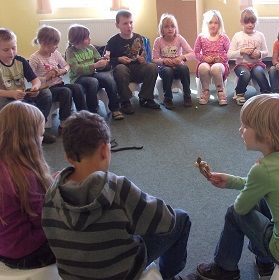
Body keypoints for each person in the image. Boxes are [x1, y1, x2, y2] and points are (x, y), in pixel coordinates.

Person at [41, 111, 191, 280]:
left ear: (68, 158)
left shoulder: (52, 192)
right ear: (105, 150)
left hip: (73, 275)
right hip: (122, 272)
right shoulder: (117, 188)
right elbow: (167, 221)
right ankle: (168, 275)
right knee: (181, 219)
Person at [196, 94, 279, 279]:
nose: (240, 130)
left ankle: (224, 269)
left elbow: (240, 208)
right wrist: (231, 181)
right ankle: (264, 263)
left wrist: (241, 189)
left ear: (266, 135)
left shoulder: (263, 170)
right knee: (264, 199)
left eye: (245, 126)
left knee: (233, 213)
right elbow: (264, 186)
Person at [0, 101, 55, 269]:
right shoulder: (25, 176)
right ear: (28, 140)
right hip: (26, 253)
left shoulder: (7, 166)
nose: (42, 138)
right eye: (40, 134)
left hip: (5, 246)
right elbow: (45, 220)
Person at [0, 28, 56, 144]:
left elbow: (35, 80)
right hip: (4, 99)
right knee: (19, 107)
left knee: (46, 94)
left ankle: (38, 129)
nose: (11, 52)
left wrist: (35, 87)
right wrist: (11, 94)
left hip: (21, 94)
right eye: (5, 50)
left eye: (13, 48)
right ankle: (22, 135)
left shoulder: (20, 61)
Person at [30, 25, 86, 132]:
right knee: (66, 92)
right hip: (46, 89)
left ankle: (83, 116)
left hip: (59, 84)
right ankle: (64, 123)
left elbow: (67, 65)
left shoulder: (55, 53)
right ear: (44, 43)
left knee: (77, 87)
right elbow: (31, 78)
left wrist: (61, 71)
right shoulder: (35, 58)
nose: (56, 47)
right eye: (54, 44)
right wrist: (46, 77)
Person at [65, 24, 124, 120]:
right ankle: (92, 111)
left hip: (92, 74)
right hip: (78, 78)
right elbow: (76, 69)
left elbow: (97, 60)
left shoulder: (90, 47)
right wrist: (95, 66)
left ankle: (115, 108)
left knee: (108, 78)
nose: (90, 39)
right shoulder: (70, 51)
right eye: (87, 38)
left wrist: (104, 61)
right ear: (78, 40)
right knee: (93, 81)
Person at [107, 10, 161, 113]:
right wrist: (118, 59)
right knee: (120, 68)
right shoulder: (113, 41)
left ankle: (145, 98)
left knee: (152, 67)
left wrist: (142, 59)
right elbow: (106, 60)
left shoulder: (138, 37)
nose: (129, 26)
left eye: (131, 22)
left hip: (137, 68)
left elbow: (142, 54)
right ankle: (125, 101)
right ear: (117, 25)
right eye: (125, 23)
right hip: (122, 72)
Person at [228, 7, 271, 106]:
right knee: (245, 74)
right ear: (242, 22)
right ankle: (239, 93)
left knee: (259, 72)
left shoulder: (260, 35)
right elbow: (229, 54)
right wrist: (241, 51)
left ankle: (266, 93)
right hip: (241, 65)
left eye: (253, 22)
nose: (250, 25)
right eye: (247, 22)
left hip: (256, 63)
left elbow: (266, 52)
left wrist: (259, 54)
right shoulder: (237, 36)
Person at [153, 13, 194, 109]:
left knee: (184, 68)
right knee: (168, 70)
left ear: (175, 28)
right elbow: (154, 59)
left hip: (178, 67)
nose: (170, 29)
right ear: (162, 29)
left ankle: (187, 95)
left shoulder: (179, 38)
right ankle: (167, 98)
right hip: (164, 69)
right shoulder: (158, 41)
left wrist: (181, 58)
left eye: (172, 26)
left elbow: (192, 53)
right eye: (166, 27)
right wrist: (164, 61)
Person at [194, 10, 230, 106]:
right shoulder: (201, 37)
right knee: (203, 67)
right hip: (205, 62)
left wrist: (220, 58)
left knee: (216, 68)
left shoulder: (223, 37)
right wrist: (204, 58)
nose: (213, 25)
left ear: (219, 24)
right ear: (206, 24)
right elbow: (196, 53)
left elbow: (229, 53)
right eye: (210, 22)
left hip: (220, 64)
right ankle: (205, 91)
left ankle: (220, 91)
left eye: (216, 23)